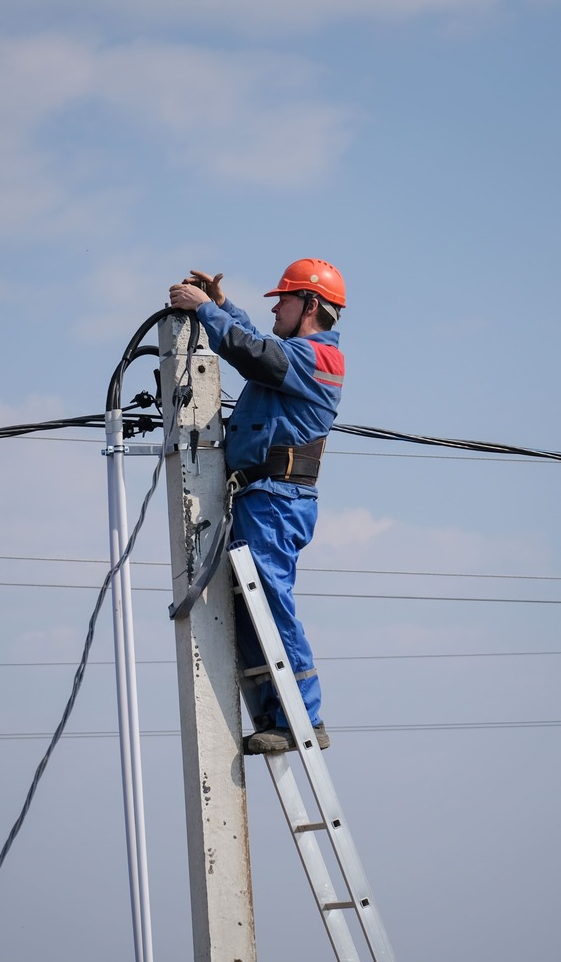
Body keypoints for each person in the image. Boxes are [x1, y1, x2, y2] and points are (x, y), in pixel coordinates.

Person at [167, 258, 347, 753]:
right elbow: (260, 345)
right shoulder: (295, 353)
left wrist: (206, 311)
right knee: (245, 603)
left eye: (283, 300)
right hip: (258, 496)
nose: (275, 309)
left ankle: (304, 717)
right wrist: (222, 307)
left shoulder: (320, 359)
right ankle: (275, 713)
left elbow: (255, 355)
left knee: (268, 596)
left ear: (310, 305)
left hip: (277, 499)